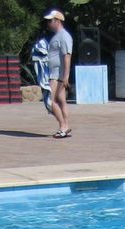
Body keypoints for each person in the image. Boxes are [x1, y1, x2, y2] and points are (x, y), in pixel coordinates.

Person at [44, 9, 73, 139]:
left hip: (56, 75)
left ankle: (63, 126)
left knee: (50, 101)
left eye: (50, 21)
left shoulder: (64, 36)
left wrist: (66, 76)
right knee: (61, 101)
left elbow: (67, 56)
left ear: (57, 21)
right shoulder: (57, 36)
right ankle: (66, 126)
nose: (48, 23)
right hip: (55, 73)